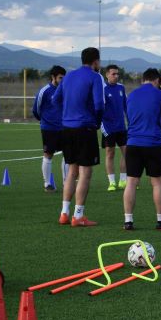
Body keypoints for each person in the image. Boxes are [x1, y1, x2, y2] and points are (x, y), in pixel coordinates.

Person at [53, 47, 105, 226]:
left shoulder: (68, 76)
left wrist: (67, 114)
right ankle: (78, 215)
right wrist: (96, 122)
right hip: (85, 128)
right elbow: (99, 105)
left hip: (67, 129)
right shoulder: (95, 77)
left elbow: (55, 99)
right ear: (95, 61)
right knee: (85, 173)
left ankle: (64, 213)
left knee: (71, 172)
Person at [122, 68, 161, 231]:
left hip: (132, 143)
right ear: (157, 80)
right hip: (153, 143)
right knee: (157, 183)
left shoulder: (131, 95)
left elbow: (129, 117)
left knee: (131, 182)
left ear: (143, 79)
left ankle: (128, 221)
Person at [32, 65, 66, 192]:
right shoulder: (45, 91)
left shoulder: (66, 90)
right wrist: (45, 121)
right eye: (60, 78)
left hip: (65, 128)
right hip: (49, 129)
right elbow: (36, 110)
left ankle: (66, 182)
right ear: (53, 77)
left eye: (64, 78)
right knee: (48, 154)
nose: (63, 80)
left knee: (68, 156)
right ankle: (47, 184)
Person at [101, 64, 127, 191]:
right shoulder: (102, 89)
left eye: (117, 74)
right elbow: (98, 110)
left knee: (127, 153)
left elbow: (126, 107)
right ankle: (112, 182)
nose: (116, 76)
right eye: (113, 74)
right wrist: (103, 128)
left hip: (122, 127)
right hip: (108, 128)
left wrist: (131, 122)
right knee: (110, 154)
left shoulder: (121, 88)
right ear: (107, 75)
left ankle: (123, 181)